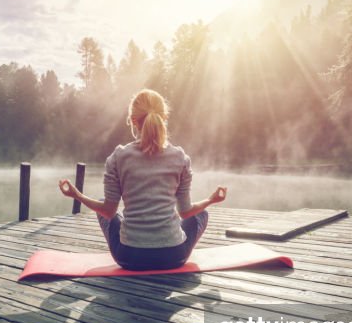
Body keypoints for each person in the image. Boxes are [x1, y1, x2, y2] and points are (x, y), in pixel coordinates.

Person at [58, 88, 227, 270]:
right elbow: (185, 212)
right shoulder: (180, 158)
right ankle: (168, 235)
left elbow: (108, 211)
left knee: (106, 207)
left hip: (129, 257)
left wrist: (77, 195)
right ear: (165, 119)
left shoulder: (118, 157)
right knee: (201, 213)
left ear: (133, 121)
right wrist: (211, 200)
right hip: (174, 256)